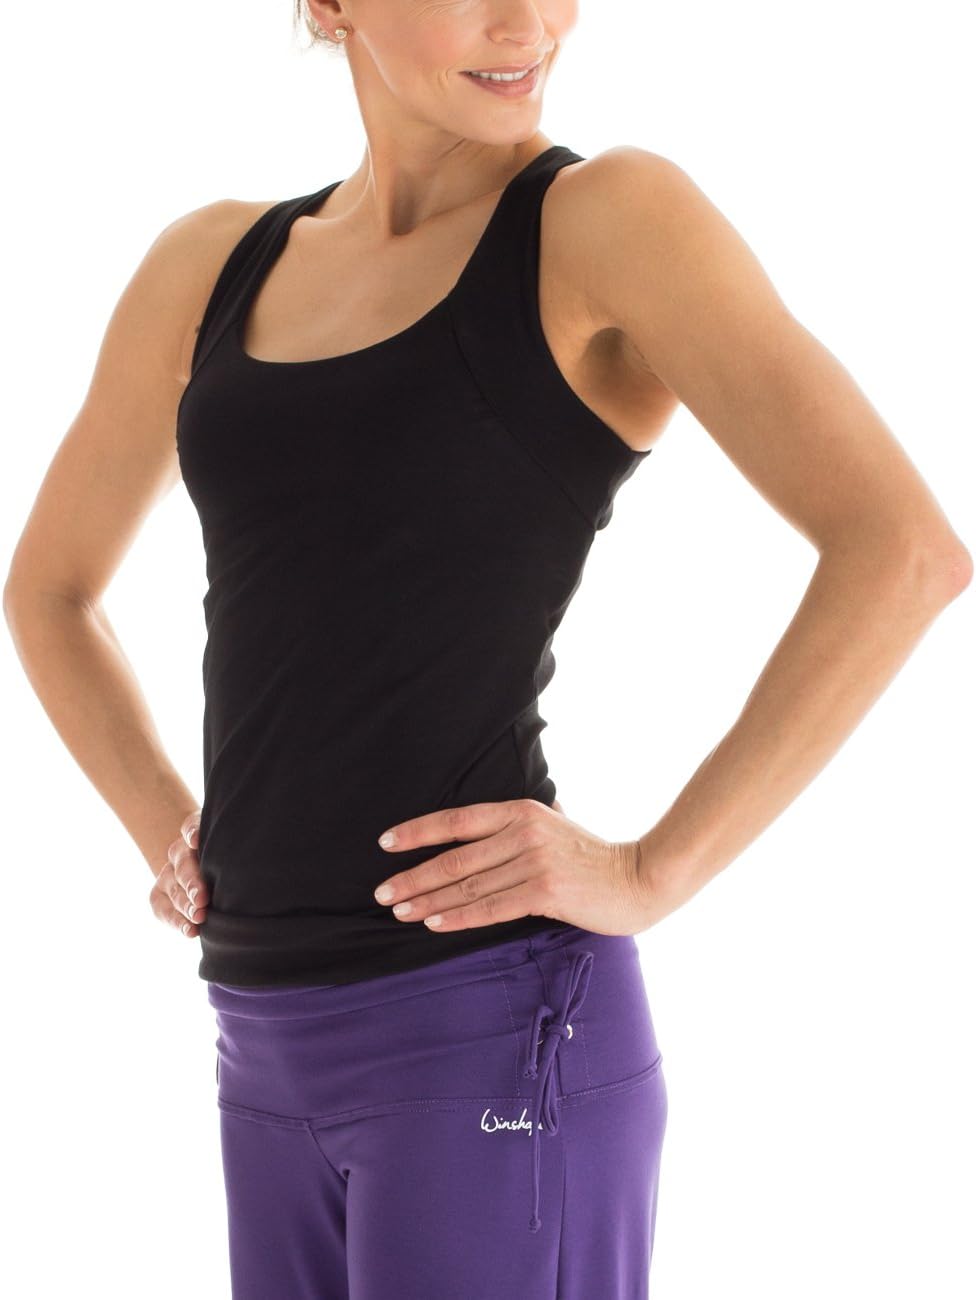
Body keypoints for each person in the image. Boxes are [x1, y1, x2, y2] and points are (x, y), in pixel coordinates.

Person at [4, 0, 971, 1297]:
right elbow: (51, 591)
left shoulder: (605, 223)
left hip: (490, 1028)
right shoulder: (211, 264)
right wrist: (168, 830)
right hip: (259, 1035)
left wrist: (650, 872)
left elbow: (902, 550)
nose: (529, 22)